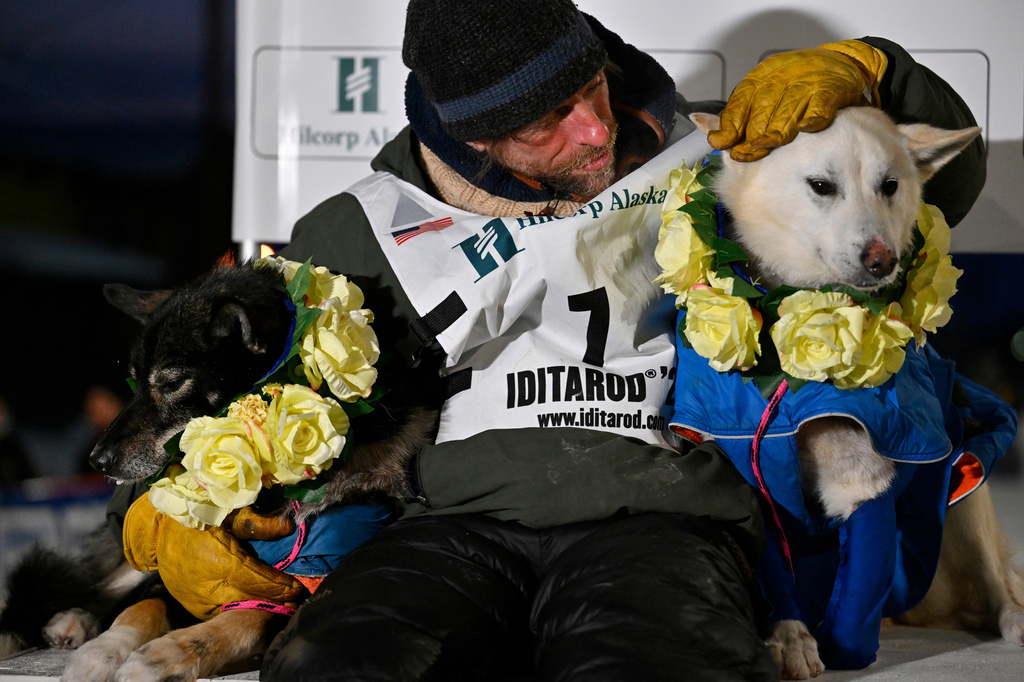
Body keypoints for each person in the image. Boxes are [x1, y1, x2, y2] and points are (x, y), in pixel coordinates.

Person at [108, 1, 986, 679]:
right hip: (451, 527)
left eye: (592, 87)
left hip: (657, 515)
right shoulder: (361, 230)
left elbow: (940, 190)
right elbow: (226, 378)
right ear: (471, 137)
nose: (596, 129)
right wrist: (169, 512)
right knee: (342, 663)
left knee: (659, 667)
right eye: (548, 123)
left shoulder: (710, 155)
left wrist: (875, 69)